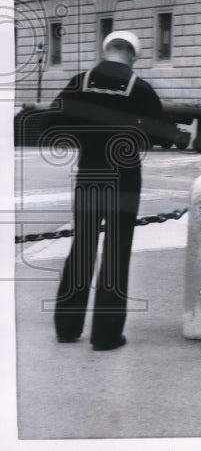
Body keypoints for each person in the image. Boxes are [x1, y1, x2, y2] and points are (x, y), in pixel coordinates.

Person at [48, 30, 168, 351]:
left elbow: (52, 121)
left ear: (106, 51)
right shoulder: (139, 88)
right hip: (125, 178)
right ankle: (106, 334)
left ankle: (67, 326)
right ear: (132, 55)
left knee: (83, 246)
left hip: (89, 173)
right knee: (116, 253)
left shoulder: (79, 81)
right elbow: (161, 134)